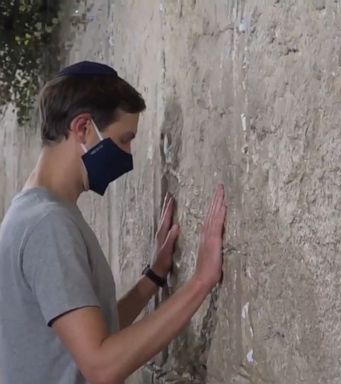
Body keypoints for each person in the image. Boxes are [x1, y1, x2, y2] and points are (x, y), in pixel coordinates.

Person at [0, 61, 226, 384]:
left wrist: (153, 277)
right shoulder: (47, 225)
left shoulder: (33, 214)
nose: (127, 154)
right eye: (123, 139)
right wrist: (202, 281)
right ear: (82, 129)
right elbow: (101, 365)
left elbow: (91, 332)